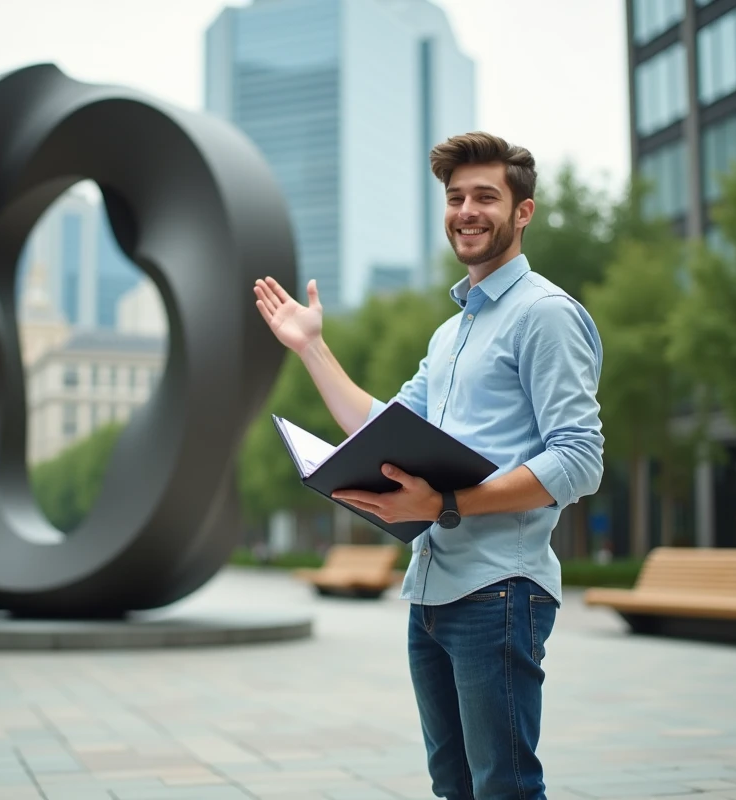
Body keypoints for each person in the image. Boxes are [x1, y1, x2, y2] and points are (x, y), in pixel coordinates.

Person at [254, 132, 604, 800]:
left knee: (504, 788)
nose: (467, 211)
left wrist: (445, 505)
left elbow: (579, 459)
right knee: (455, 788)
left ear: (523, 212)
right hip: (432, 594)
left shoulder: (546, 316)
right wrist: (311, 347)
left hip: (500, 591)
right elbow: (378, 426)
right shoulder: (450, 334)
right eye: (455, 198)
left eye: (485, 197)